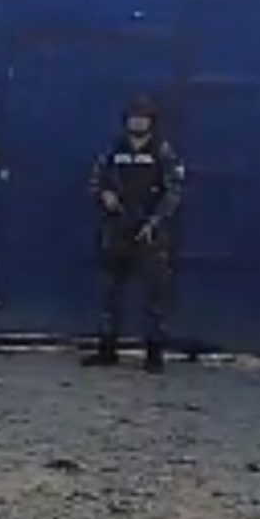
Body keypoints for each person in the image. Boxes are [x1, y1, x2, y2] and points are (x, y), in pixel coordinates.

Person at [83, 94, 186, 373]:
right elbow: (96, 179)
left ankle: (154, 353)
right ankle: (107, 349)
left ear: (151, 122)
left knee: (154, 296)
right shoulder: (114, 150)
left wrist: (155, 221)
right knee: (110, 293)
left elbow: (174, 191)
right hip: (117, 227)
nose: (137, 122)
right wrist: (104, 195)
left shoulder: (161, 151)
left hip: (150, 231)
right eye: (133, 117)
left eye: (143, 117)